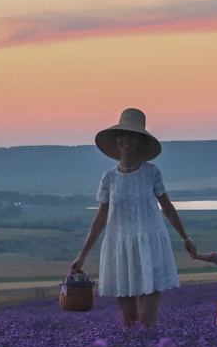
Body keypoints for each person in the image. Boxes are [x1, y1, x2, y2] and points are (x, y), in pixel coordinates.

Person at [69, 108, 194, 329]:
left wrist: (185, 238)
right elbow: (101, 218)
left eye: (132, 136)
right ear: (116, 140)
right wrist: (83, 255)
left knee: (146, 319)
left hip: (149, 246)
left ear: (140, 142)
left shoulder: (151, 172)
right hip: (120, 247)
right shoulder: (109, 178)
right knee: (128, 319)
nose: (126, 140)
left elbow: (166, 206)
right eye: (122, 135)